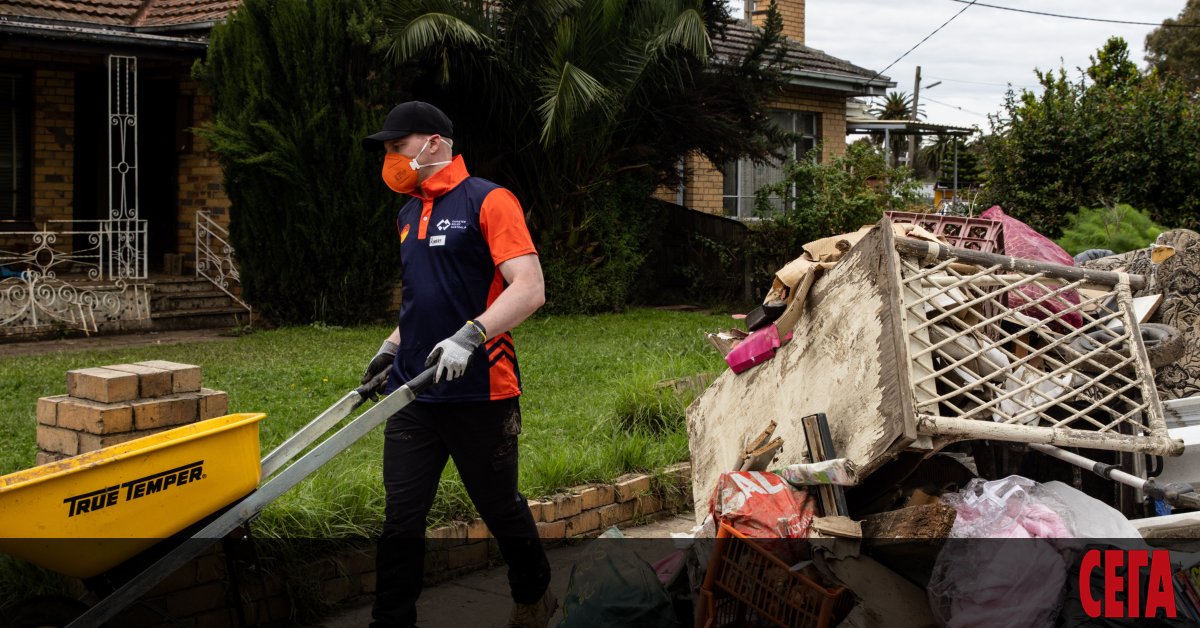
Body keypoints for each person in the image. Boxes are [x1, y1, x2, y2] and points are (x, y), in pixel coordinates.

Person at [360, 101, 554, 628]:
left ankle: (534, 593)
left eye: (398, 148)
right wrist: (390, 348)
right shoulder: (406, 213)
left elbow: (530, 288)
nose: (392, 161)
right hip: (414, 393)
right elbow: (423, 300)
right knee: (401, 520)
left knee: (499, 508)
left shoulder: (489, 201)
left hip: (480, 391)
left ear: (434, 143)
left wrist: (471, 334)